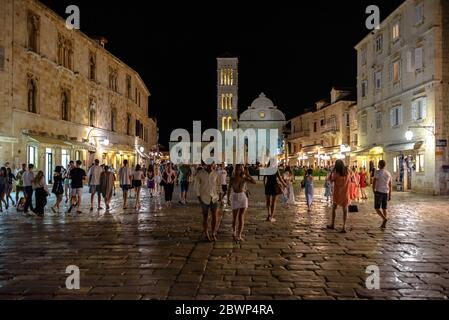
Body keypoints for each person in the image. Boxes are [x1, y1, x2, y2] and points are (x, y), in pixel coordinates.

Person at [227, 164, 256, 242]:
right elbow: (229, 188)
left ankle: (239, 235)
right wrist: (228, 199)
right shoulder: (232, 178)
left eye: (241, 169)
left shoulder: (244, 177)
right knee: (234, 217)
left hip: (243, 197)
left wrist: (248, 175)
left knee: (241, 217)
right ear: (235, 169)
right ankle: (234, 233)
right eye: (238, 169)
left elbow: (254, 182)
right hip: (235, 197)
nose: (239, 170)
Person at [194, 162, 221, 242]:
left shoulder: (215, 173)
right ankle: (206, 233)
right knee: (205, 217)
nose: (210, 166)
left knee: (215, 216)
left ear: (213, 164)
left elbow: (218, 184)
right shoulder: (200, 173)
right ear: (205, 164)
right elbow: (196, 186)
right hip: (204, 198)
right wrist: (199, 197)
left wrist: (219, 195)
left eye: (212, 164)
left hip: (214, 197)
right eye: (208, 164)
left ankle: (213, 233)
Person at [327, 160, 352, 233]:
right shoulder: (347, 171)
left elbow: (330, 180)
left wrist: (331, 172)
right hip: (346, 193)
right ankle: (344, 226)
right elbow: (352, 177)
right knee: (345, 210)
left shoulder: (336, 173)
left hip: (337, 193)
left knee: (334, 208)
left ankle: (332, 224)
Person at [372, 160, 392, 229]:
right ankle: (384, 224)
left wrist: (373, 190)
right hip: (386, 192)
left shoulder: (377, 172)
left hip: (379, 192)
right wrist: (390, 194)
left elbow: (374, 181)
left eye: (378, 164)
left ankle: (384, 219)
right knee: (384, 208)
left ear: (380, 165)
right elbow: (390, 185)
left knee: (377, 208)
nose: (378, 165)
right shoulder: (388, 173)